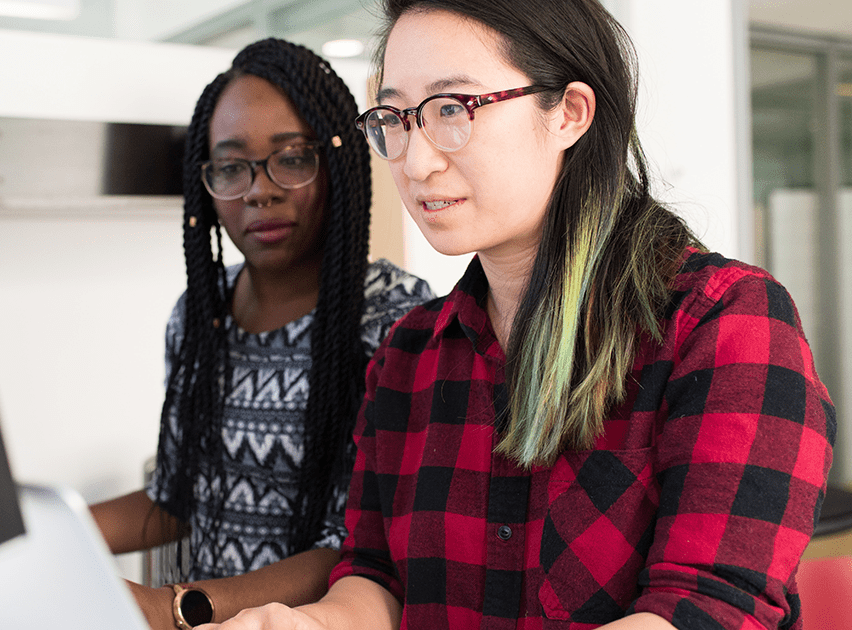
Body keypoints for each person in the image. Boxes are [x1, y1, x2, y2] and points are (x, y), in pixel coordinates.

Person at [202, 2, 836, 630]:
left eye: (452, 109)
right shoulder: (409, 352)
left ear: (568, 112)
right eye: (396, 117)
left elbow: (708, 610)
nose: (416, 162)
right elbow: (377, 577)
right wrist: (309, 624)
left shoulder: (723, 323)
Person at [89, 37, 434, 630]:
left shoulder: (395, 318)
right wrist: (40, 530)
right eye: (231, 167)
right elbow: (173, 500)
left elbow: (355, 549)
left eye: (292, 157)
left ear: (337, 164)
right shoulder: (199, 314)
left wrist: (172, 606)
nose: (259, 189)